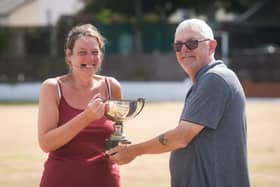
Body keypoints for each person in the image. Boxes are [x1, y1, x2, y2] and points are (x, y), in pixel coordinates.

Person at [107, 18, 250, 187]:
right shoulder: (208, 79)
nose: (184, 50)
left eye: (192, 43)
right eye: (178, 45)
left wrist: (132, 151)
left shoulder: (214, 79)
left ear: (212, 46)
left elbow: (181, 137)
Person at [38, 24, 122, 187]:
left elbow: (117, 138)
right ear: (69, 55)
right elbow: (46, 143)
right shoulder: (53, 88)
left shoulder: (112, 87)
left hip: (105, 180)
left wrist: (124, 149)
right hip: (60, 180)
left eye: (95, 52)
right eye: (82, 52)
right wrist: (86, 117)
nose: (90, 59)